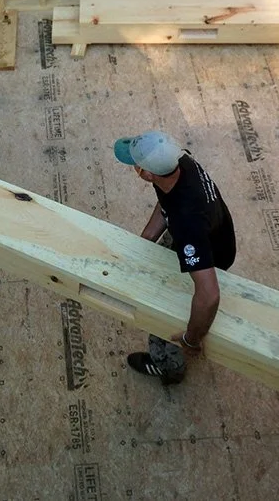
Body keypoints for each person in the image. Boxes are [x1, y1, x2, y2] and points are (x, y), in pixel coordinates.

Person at [113, 130, 236, 385]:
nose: (134, 167)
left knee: (162, 315)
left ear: (147, 174)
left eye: (136, 164)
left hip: (210, 254)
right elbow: (167, 202)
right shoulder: (180, 162)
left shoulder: (186, 223)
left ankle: (169, 367)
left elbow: (210, 295)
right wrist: (146, 240)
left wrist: (191, 339)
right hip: (213, 232)